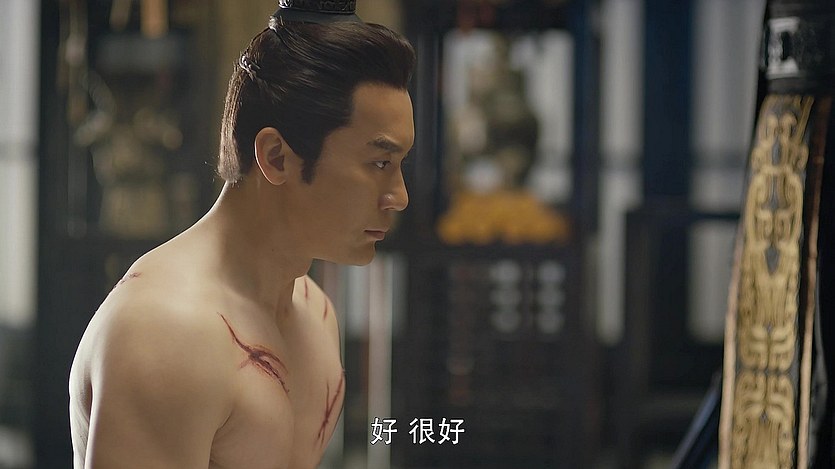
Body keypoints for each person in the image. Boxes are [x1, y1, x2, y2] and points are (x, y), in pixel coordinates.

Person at [68, 2, 416, 467]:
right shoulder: (162, 333)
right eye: (379, 163)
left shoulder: (315, 314)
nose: (399, 197)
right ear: (276, 157)